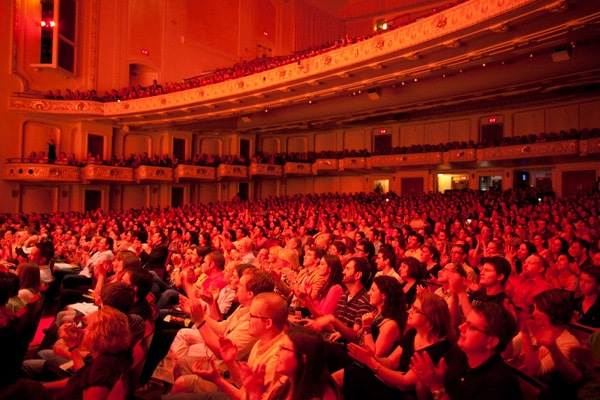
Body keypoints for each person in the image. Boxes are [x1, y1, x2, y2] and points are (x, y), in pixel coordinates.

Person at [338, 291, 453, 399]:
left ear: (431, 318)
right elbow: (391, 362)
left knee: (351, 374)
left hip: (403, 394)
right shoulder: (413, 333)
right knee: (350, 369)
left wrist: (370, 362)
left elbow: (405, 382)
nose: (409, 311)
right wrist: (371, 357)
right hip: (391, 383)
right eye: (411, 307)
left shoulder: (437, 349)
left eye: (415, 309)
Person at [190, 326, 338, 400]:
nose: (277, 353)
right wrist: (218, 378)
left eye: (283, 348)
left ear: (303, 359)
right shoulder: (286, 381)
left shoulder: (318, 396)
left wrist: (254, 393)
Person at [411, 302, 522, 400]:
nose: (460, 328)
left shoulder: (501, 383)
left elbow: (436, 387)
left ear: (491, 342)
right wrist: (427, 379)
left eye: (471, 327)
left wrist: (437, 387)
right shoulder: (459, 352)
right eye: (465, 322)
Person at [41, 306, 133, 400]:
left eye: (88, 328)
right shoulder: (116, 353)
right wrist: (72, 345)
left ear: (99, 336)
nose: (83, 331)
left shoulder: (103, 366)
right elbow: (81, 377)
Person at [360, 275, 406, 357]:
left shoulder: (390, 324)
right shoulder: (375, 312)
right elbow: (359, 337)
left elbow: (375, 356)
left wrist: (367, 329)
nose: (368, 293)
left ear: (384, 295)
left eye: (373, 290)